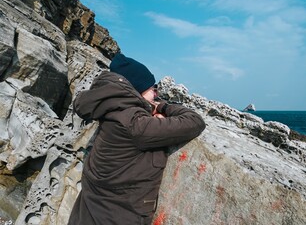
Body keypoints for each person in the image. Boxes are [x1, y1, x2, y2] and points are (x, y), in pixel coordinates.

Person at [68, 53, 206, 225]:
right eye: (153, 88)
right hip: (114, 218)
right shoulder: (135, 125)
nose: (156, 94)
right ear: (137, 89)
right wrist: (162, 106)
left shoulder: (111, 110)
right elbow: (195, 122)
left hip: (88, 212)